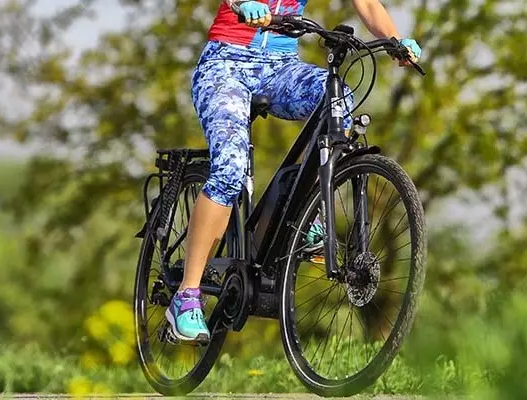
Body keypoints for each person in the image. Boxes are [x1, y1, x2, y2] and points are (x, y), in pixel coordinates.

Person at [165, 0, 422, 343]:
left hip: (281, 68)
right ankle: (187, 295)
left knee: (338, 101)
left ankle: (304, 212)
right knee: (230, 169)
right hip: (225, 65)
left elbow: (367, 4)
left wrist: (395, 40)